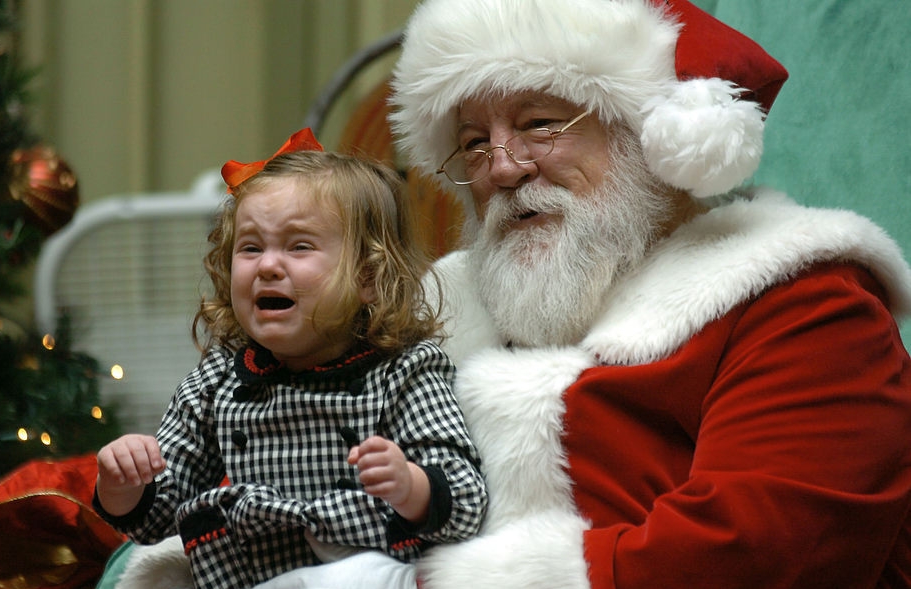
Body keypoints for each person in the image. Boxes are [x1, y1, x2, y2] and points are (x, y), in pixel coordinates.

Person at [384, 0, 911, 587]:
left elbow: (762, 552)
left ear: (644, 138)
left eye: (539, 124)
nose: (502, 169)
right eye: (474, 141)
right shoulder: (442, 312)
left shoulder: (802, 300)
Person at [93, 128, 487, 589]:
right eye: (250, 247)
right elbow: (156, 518)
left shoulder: (405, 371)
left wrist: (410, 486)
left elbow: (466, 501)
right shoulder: (219, 380)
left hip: (363, 570)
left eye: (299, 246)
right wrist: (123, 483)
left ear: (368, 276)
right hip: (249, 574)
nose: (267, 266)